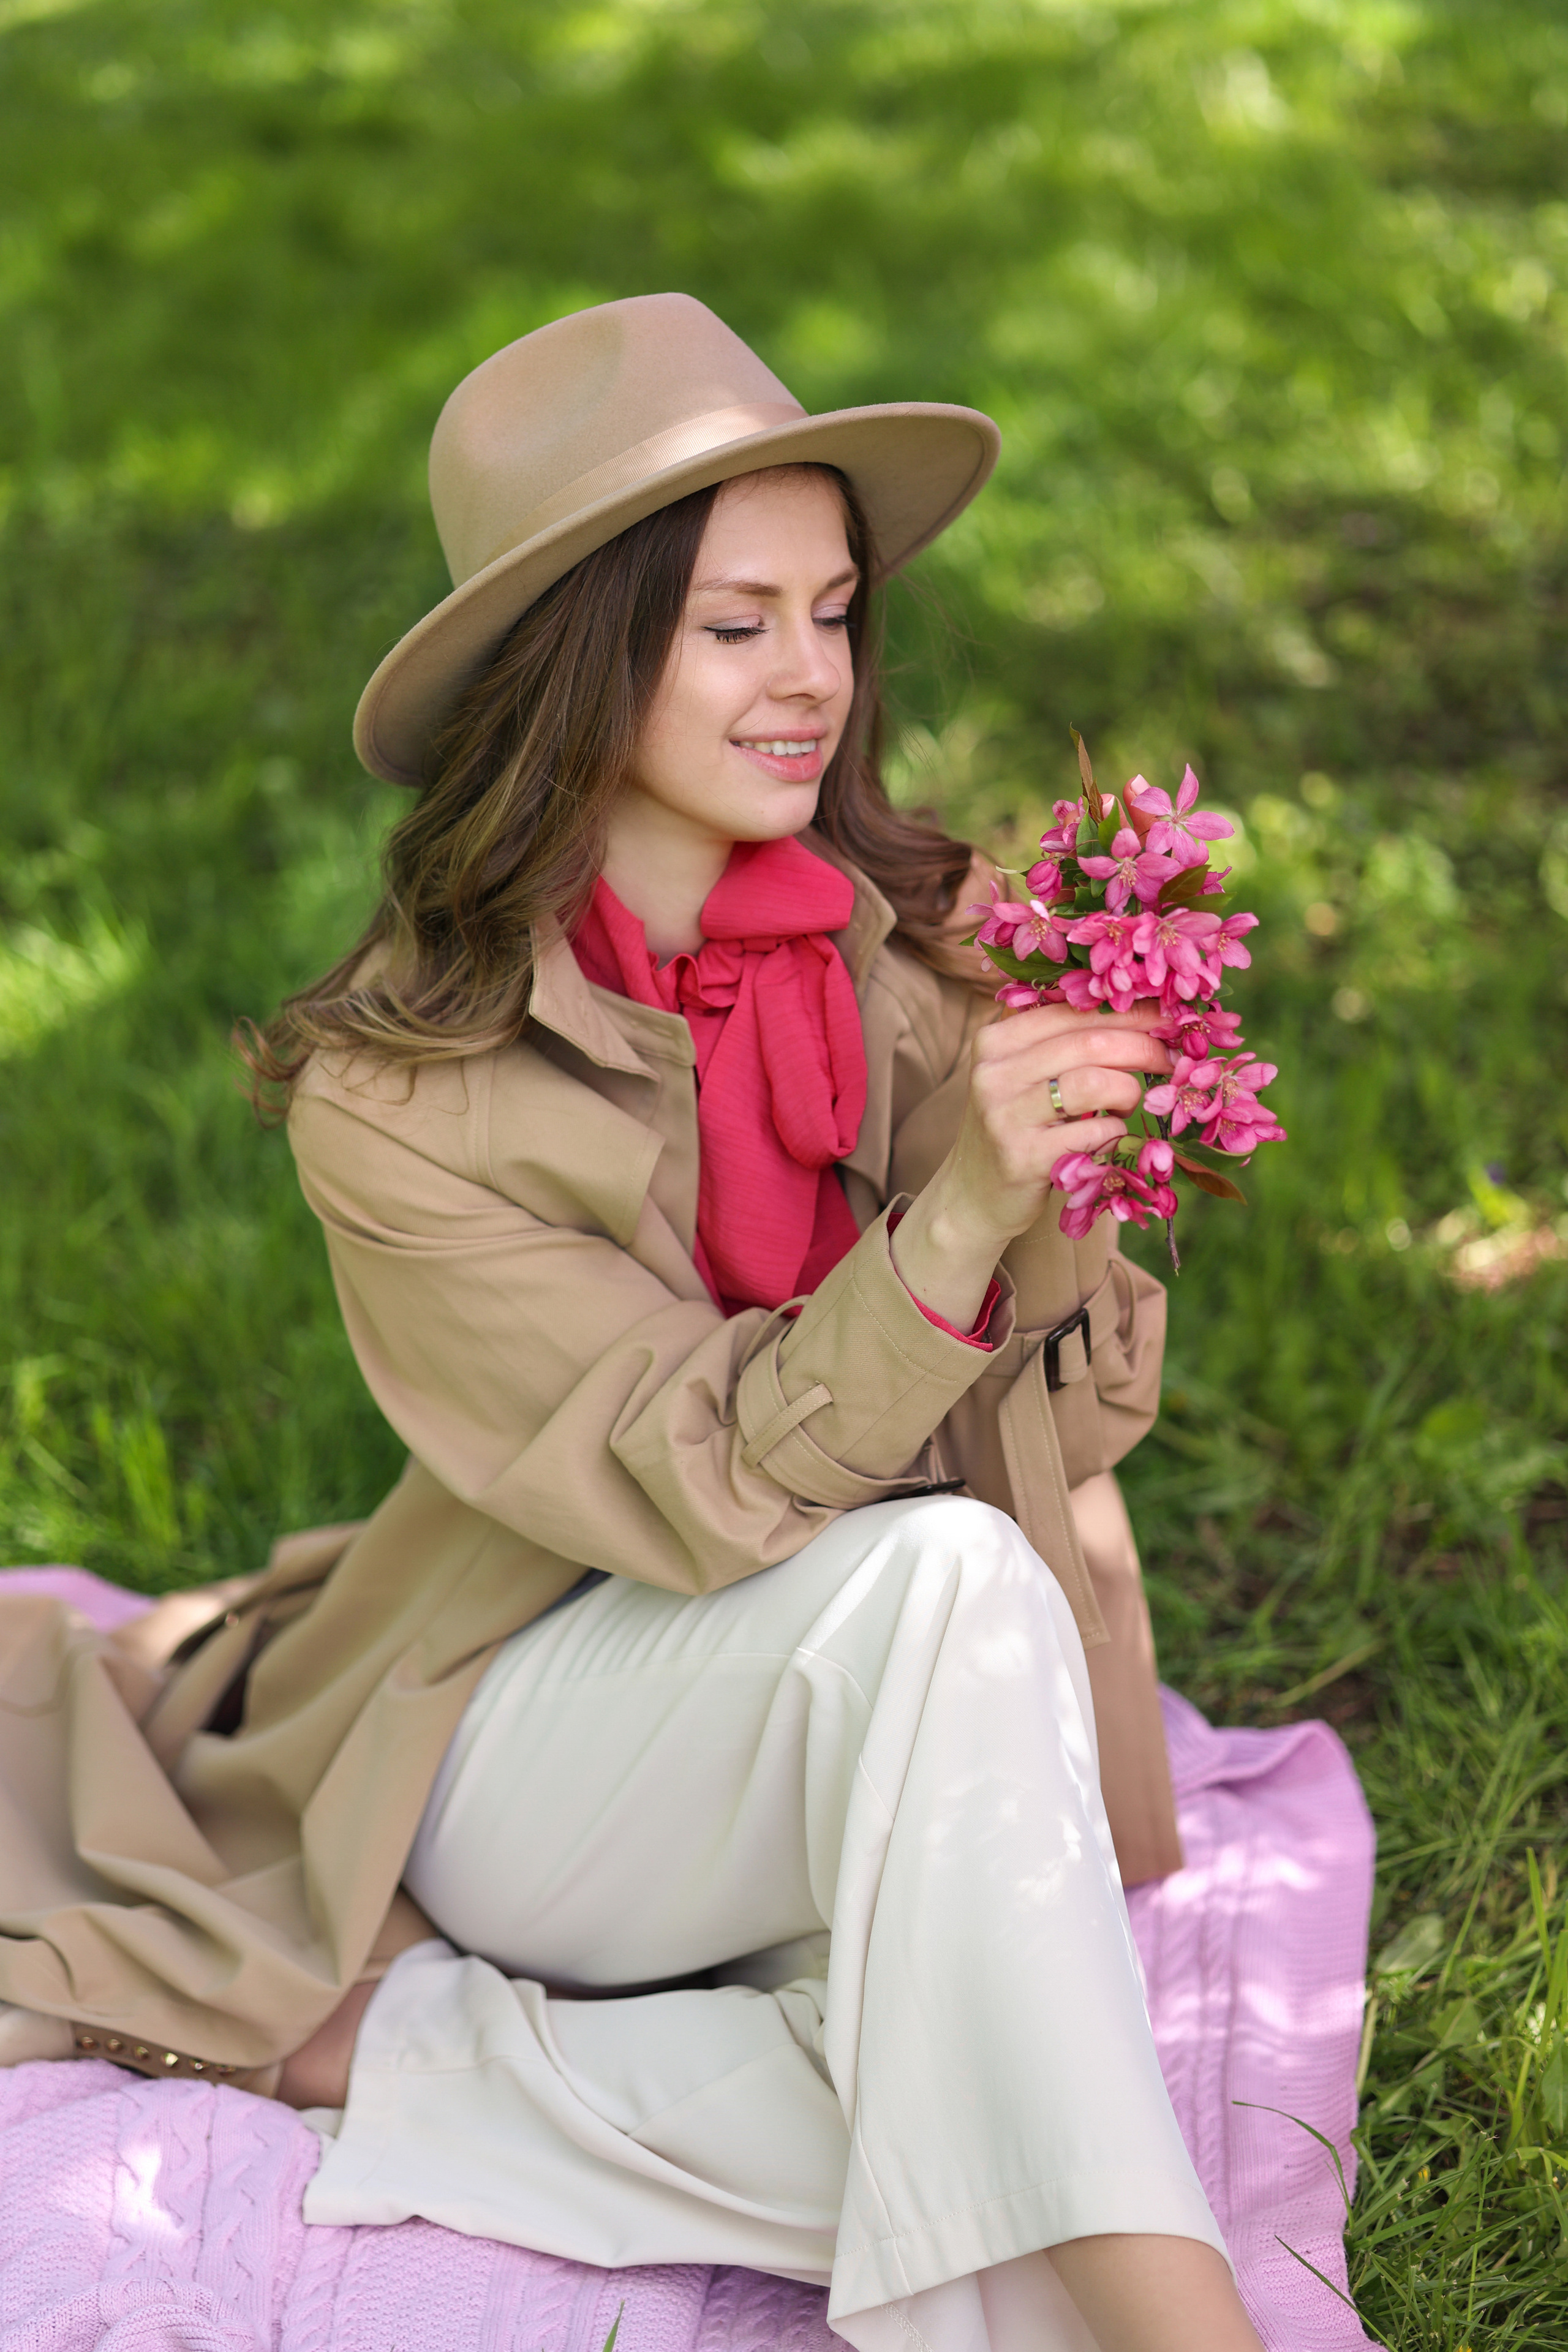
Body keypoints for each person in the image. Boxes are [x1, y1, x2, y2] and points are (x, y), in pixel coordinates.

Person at [0, 296, 1263, 2352]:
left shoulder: (907, 947)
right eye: (736, 625)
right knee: (938, 1591)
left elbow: (1080, 1416)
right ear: (583, 664)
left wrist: (1065, 1193)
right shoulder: (400, 1094)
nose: (815, 683)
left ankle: (426, 2067)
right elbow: (687, 1486)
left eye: (835, 613)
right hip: (534, 1722)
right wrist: (953, 1217)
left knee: (969, 2078)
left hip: (832, 1690)